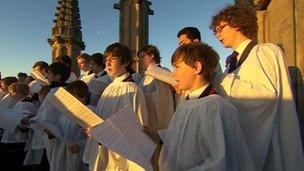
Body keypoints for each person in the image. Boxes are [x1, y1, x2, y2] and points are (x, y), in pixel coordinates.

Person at [210, 4, 304, 170]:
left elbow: (265, 98)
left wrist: (218, 79)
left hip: (267, 146)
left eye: (220, 28)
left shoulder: (264, 51)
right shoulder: (231, 62)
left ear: (237, 24)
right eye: (215, 31)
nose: (217, 34)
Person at [145, 43, 255, 171]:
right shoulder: (186, 103)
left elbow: (220, 161)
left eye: (177, 67)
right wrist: (158, 135)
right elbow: (181, 134)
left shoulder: (216, 107)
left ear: (196, 67)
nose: (173, 74)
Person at [83, 42, 148, 171]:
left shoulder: (133, 89)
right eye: (106, 60)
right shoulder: (109, 88)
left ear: (125, 62)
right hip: (103, 149)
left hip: (121, 154)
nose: (107, 63)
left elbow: (138, 127)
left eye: (113, 59)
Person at [50, 80, 90, 171]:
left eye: (73, 98)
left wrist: (79, 145)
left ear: (83, 97)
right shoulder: (64, 112)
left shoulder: (89, 112)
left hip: (78, 156)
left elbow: (93, 139)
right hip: (61, 153)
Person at [1, 82, 37, 171]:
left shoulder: (25, 104)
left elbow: (26, 121)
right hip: (16, 139)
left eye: (11, 92)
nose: (9, 95)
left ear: (18, 92)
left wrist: (16, 121)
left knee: (14, 163)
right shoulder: (23, 102)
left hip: (17, 139)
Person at [138, 45, 174, 130]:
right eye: (139, 58)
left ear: (152, 55)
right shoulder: (144, 78)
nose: (140, 61)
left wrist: (140, 96)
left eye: (142, 57)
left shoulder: (163, 72)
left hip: (161, 125)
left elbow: (163, 99)